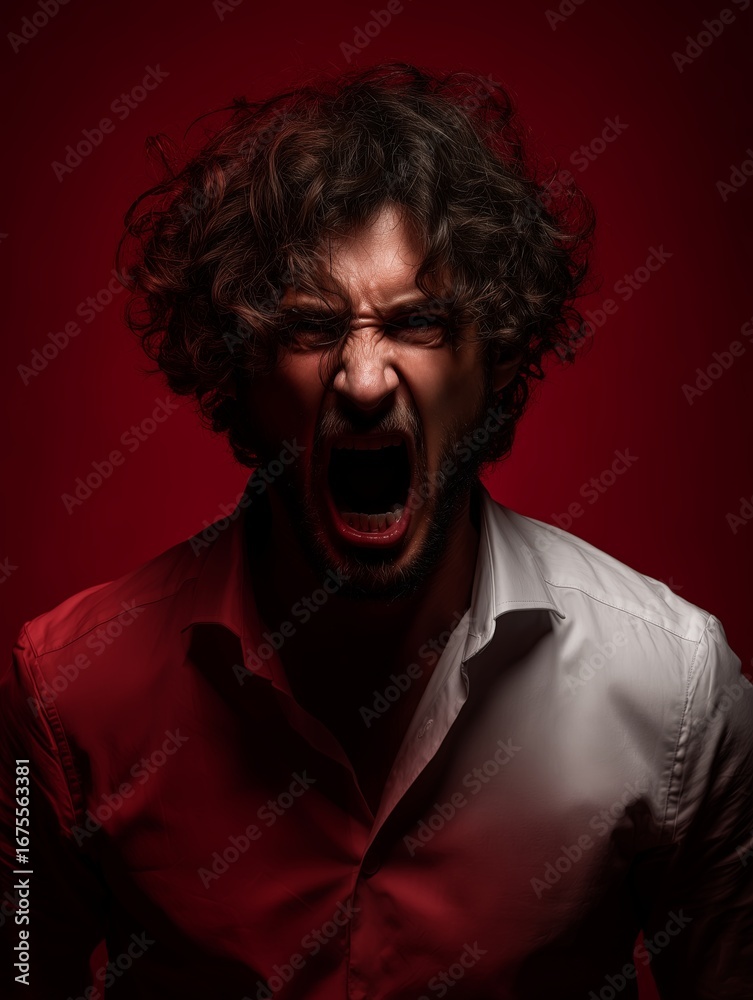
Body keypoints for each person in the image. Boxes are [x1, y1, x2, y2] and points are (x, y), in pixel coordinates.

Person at [1, 62, 751, 1000]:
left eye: (420, 322)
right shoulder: (66, 696)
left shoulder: (674, 691)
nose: (362, 380)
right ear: (239, 372)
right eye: (311, 328)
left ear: (497, 356)